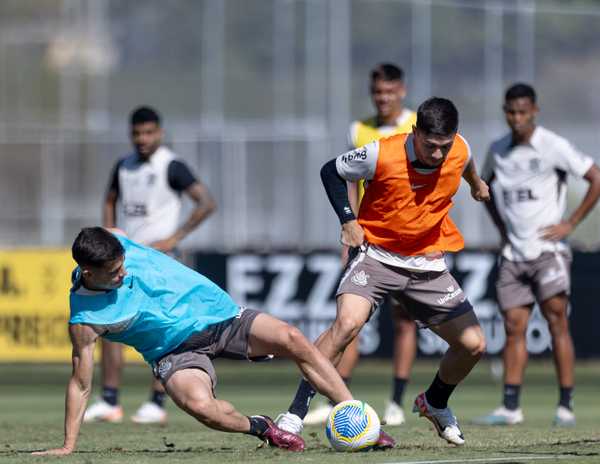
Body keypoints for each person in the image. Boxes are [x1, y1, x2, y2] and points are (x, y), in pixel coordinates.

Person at [276, 97, 489, 446]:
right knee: (346, 324)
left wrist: (476, 184)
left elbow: (465, 161)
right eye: (430, 145)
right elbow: (331, 170)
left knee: (473, 344)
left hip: (427, 264)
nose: (437, 155)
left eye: (444, 146)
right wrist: (348, 219)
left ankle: (434, 402)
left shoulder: (459, 148)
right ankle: (295, 413)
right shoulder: (381, 153)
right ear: (415, 131)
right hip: (376, 255)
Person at [33, 227, 357, 456]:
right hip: (174, 353)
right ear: (88, 273)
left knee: (293, 338)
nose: (124, 273)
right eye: (115, 272)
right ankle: (260, 426)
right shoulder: (86, 319)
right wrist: (68, 445)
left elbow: (111, 234)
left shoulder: (113, 238)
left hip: (222, 317)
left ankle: (356, 414)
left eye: (123, 263)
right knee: (201, 408)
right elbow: (80, 384)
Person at [475, 83, 600, 427]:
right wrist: (501, 229)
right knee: (514, 327)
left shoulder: (553, 146)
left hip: (548, 252)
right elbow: (482, 187)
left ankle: (566, 406)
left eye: (522, 112)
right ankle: (510, 407)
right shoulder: (497, 149)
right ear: (506, 112)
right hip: (514, 254)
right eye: (510, 112)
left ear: (534, 111)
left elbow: (595, 178)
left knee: (557, 321)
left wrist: (570, 223)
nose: (516, 118)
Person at [84, 106, 216, 425]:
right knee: (109, 323)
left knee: (163, 329)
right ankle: (110, 400)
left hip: (160, 261)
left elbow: (206, 202)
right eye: (136, 133)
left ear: (160, 133)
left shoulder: (172, 165)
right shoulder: (124, 165)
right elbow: (110, 199)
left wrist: (175, 237)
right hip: (125, 259)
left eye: (148, 133)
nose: (142, 139)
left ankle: (157, 402)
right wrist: (108, 236)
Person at [304, 63, 418, 427]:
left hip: (409, 237)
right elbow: (348, 178)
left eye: (389, 91)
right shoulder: (359, 129)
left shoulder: (419, 124)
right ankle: (338, 396)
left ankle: (397, 402)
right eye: (377, 92)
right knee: (351, 321)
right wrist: (348, 224)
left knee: (404, 320)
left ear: (401, 90)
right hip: (369, 236)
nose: (383, 98)